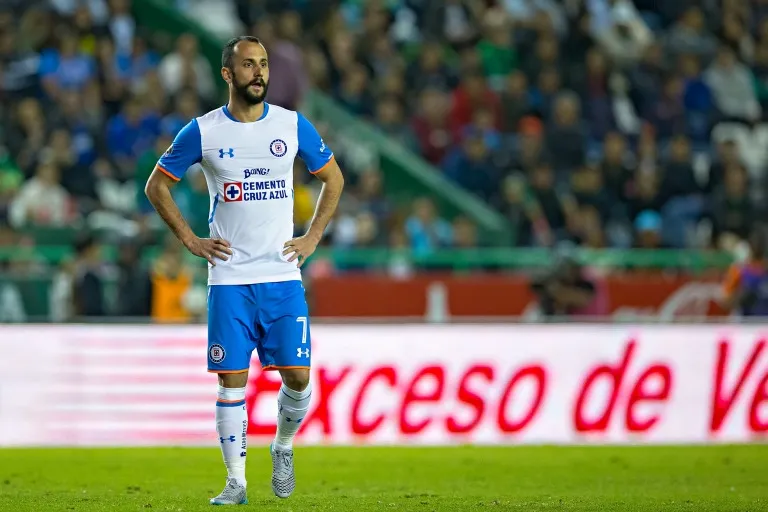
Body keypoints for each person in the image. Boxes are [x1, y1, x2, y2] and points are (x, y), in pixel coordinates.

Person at [144, 35, 344, 505]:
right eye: (249, 64)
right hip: (230, 279)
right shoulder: (203, 131)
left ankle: (283, 446)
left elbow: (333, 179)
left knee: (298, 377)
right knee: (231, 380)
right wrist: (191, 240)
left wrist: (313, 237)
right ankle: (236, 482)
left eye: (264, 64)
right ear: (227, 74)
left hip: (282, 276)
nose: (259, 72)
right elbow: (157, 186)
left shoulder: (291, 125)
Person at [720, 226, 768, 317]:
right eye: (756, 242)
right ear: (750, 245)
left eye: (762, 243)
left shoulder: (765, 269)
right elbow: (725, 302)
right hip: (746, 322)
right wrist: (740, 295)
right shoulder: (739, 269)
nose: (759, 246)